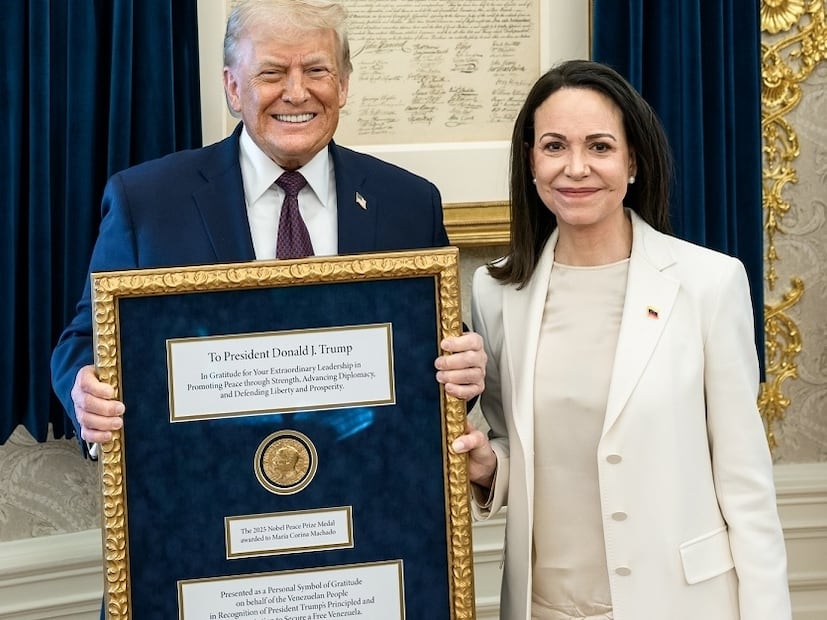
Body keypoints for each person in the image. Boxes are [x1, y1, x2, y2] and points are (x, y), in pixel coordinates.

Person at [51, 0, 485, 455]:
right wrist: (86, 390)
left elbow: (440, 351)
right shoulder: (146, 202)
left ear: (343, 86)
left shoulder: (409, 204)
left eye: (317, 71)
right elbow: (85, 340)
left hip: (366, 486)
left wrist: (467, 375)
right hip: (204, 490)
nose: (297, 93)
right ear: (233, 88)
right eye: (272, 73)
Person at [451, 59, 791, 620]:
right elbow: (518, 443)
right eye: (554, 146)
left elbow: (745, 483)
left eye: (600, 147)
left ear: (632, 161)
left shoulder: (709, 283)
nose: (576, 168)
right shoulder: (496, 291)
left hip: (682, 604)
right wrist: (489, 466)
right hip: (542, 607)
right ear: (530, 162)